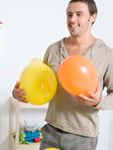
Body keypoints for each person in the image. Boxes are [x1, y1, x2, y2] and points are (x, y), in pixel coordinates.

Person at [13, 0, 113, 149]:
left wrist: (99, 101)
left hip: (83, 138)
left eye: (79, 14)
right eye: (69, 14)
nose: (72, 19)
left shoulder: (106, 54)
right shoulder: (53, 49)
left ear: (93, 17)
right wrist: (17, 93)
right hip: (51, 132)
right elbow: (39, 85)